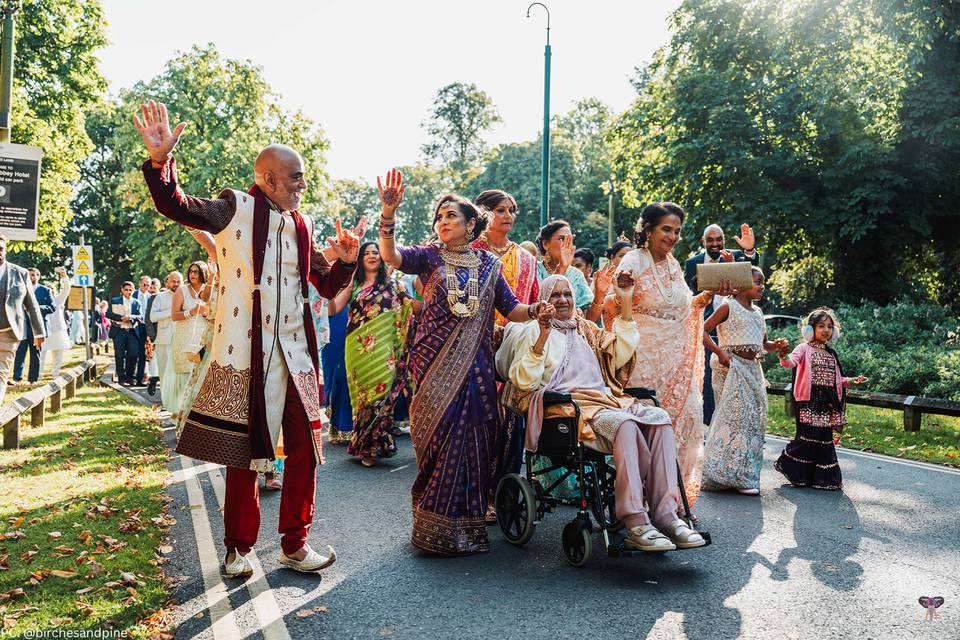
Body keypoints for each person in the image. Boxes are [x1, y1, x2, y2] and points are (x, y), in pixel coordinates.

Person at [136, 99, 357, 577]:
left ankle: (295, 545)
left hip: (297, 355)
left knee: (305, 450)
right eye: (296, 177)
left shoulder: (304, 224)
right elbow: (176, 204)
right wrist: (160, 164)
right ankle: (238, 548)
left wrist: (344, 260)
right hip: (245, 355)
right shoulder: (236, 207)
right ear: (269, 178)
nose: (303, 184)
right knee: (247, 453)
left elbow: (328, 285)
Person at [376, 168, 543, 556]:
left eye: (451, 216)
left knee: (473, 439)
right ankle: (430, 526)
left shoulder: (489, 265)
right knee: (437, 436)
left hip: (477, 367)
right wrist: (389, 215)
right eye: (439, 216)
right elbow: (392, 255)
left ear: (471, 224)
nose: (443, 221)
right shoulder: (430, 255)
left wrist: (537, 309)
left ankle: (465, 528)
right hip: (431, 362)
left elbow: (512, 308)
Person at [498, 275, 706, 551]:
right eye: (555, 295)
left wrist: (626, 300)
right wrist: (544, 333)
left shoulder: (586, 329)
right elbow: (523, 380)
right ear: (543, 302)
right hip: (565, 408)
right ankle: (635, 521)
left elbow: (619, 354)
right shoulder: (534, 331)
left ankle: (667, 516)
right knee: (626, 425)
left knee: (660, 419)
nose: (563, 300)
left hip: (605, 402)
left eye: (567, 295)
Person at [606, 203, 732, 514]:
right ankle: (641, 501)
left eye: (676, 231)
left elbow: (684, 308)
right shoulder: (633, 261)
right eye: (666, 229)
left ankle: (669, 501)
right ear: (648, 230)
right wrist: (622, 293)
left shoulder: (674, 265)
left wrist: (711, 295)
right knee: (649, 429)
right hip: (642, 363)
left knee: (688, 421)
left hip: (676, 363)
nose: (673, 236)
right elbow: (612, 307)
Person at [470, 189, 540, 508]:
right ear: (483, 214)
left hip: (515, 352)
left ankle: (503, 493)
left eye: (512, 210)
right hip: (475, 351)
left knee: (512, 420)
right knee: (479, 424)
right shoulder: (469, 253)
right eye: (500, 210)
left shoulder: (526, 259)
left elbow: (531, 303)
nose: (508, 216)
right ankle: (476, 494)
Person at [701, 267, 787, 495]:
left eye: (764, 283)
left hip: (753, 369)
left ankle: (745, 475)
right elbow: (702, 330)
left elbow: (764, 345)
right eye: (758, 282)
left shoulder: (758, 312)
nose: (762, 287)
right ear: (742, 282)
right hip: (731, 367)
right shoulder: (728, 306)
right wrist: (720, 352)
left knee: (753, 420)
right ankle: (721, 473)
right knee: (734, 418)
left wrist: (776, 346)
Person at [328, 241, 415, 467]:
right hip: (357, 350)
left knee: (381, 397)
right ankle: (366, 446)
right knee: (362, 399)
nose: (371, 256)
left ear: (382, 257)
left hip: (386, 349)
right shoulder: (353, 285)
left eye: (375, 252)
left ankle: (377, 445)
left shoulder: (395, 285)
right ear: (360, 259)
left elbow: (412, 309)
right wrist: (320, 291)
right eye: (366, 253)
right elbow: (333, 308)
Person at [774, 308, 867, 491]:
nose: (826, 330)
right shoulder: (803, 349)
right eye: (821, 326)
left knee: (824, 440)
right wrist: (783, 354)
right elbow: (789, 363)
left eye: (830, 326)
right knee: (808, 437)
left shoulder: (831, 355)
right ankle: (791, 466)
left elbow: (836, 381)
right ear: (810, 329)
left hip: (828, 402)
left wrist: (850, 381)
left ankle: (822, 479)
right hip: (809, 400)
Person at [683, 222, 760, 425]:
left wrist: (749, 250)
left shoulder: (737, 255)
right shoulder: (693, 263)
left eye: (719, 239)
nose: (715, 244)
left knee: (737, 389)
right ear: (703, 241)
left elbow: (754, 270)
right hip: (708, 330)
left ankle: (736, 425)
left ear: (724, 240)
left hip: (735, 330)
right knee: (708, 384)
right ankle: (710, 427)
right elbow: (689, 296)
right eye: (710, 240)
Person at [0, 236, 45, 404]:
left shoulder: (20, 273)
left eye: (0, 249)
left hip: (8, 332)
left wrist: (39, 332)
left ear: (5, 250)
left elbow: (32, 304)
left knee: (2, 372)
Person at [167, 262, 212, 416]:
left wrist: (208, 314)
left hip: (202, 337)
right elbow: (174, 315)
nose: (193, 274)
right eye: (191, 271)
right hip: (183, 337)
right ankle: (178, 413)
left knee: (199, 375)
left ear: (204, 273)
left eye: (197, 271)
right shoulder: (182, 290)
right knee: (184, 375)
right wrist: (192, 311)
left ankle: (194, 414)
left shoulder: (209, 290)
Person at [535, 221, 594, 311]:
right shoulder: (533, 270)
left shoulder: (576, 275)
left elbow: (588, 316)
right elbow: (541, 305)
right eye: (562, 239)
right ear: (546, 244)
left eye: (570, 240)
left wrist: (600, 293)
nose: (567, 244)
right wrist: (561, 268)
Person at [13, 268, 54, 385]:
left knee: (35, 353)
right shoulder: (19, 289)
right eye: (28, 275)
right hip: (22, 326)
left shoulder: (45, 290)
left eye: (32, 275)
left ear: (38, 276)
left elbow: (52, 307)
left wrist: (35, 308)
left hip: (37, 328)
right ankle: (17, 378)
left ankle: (33, 379)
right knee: (20, 352)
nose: (30, 277)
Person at [150, 271, 182, 405]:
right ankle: (166, 402)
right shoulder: (160, 297)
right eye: (173, 281)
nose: (175, 284)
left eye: (178, 281)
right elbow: (152, 317)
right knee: (164, 372)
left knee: (179, 372)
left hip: (181, 339)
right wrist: (171, 312)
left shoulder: (185, 296)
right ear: (167, 283)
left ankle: (178, 402)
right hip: (163, 339)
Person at [106, 281, 144, 386]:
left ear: (133, 290)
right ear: (122, 290)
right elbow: (108, 313)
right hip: (119, 331)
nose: (128, 292)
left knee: (133, 355)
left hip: (132, 331)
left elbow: (140, 317)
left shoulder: (137, 302)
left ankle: (130, 377)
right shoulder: (115, 300)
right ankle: (121, 378)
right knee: (119, 355)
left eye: (130, 290)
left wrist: (131, 317)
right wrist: (120, 318)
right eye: (126, 290)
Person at [40, 267, 73, 379]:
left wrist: (64, 276)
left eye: (52, 289)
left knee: (58, 353)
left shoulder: (59, 300)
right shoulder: (40, 302)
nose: (50, 291)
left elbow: (67, 289)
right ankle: (38, 374)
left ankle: (55, 374)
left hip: (58, 330)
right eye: (47, 289)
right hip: (44, 330)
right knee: (42, 353)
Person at [143, 278, 162, 395]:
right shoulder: (152, 299)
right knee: (154, 360)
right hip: (156, 334)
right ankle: (154, 379)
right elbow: (148, 319)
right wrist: (152, 335)